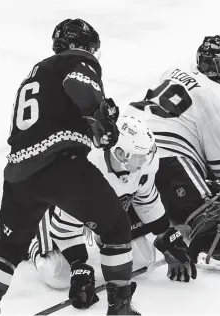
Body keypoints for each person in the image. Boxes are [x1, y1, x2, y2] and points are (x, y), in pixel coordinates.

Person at [0, 19, 139, 315]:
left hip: (18, 174)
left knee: (8, 247)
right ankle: (121, 307)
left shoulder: (33, 75)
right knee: (115, 227)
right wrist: (99, 115)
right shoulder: (75, 61)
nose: (91, 54)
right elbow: (78, 83)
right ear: (81, 45)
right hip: (60, 164)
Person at [125, 35, 220, 272]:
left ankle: (130, 217)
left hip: (124, 147)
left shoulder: (176, 70)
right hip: (165, 157)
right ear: (211, 66)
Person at [28, 116, 197, 310]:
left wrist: (165, 236)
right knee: (58, 274)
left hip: (101, 207)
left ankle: (103, 242)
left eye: (149, 151)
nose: (147, 159)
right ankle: (33, 240)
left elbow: (146, 199)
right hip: (52, 201)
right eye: (140, 154)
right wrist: (78, 264)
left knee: (142, 257)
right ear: (120, 153)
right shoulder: (83, 171)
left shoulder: (143, 163)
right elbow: (64, 229)